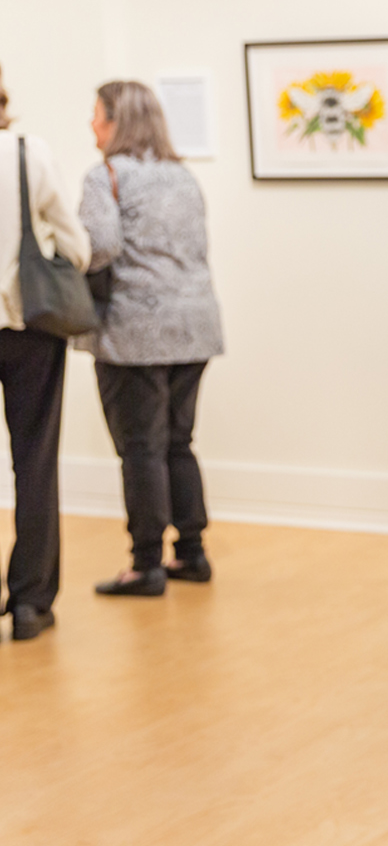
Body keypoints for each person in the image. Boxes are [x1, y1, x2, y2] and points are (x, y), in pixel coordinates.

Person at [79, 81, 223, 598]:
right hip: (196, 325)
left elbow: (99, 247)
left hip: (135, 331)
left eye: (97, 115)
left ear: (118, 122)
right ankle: (191, 552)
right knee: (178, 442)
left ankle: (145, 564)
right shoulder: (183, 176)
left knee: (139, 448)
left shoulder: (107, 177)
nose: (92, 125)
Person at [0, 64, 91, 641]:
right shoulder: (27, 153)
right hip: (29, 324)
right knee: (34, 459)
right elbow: (75, 242)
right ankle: (31, 602)